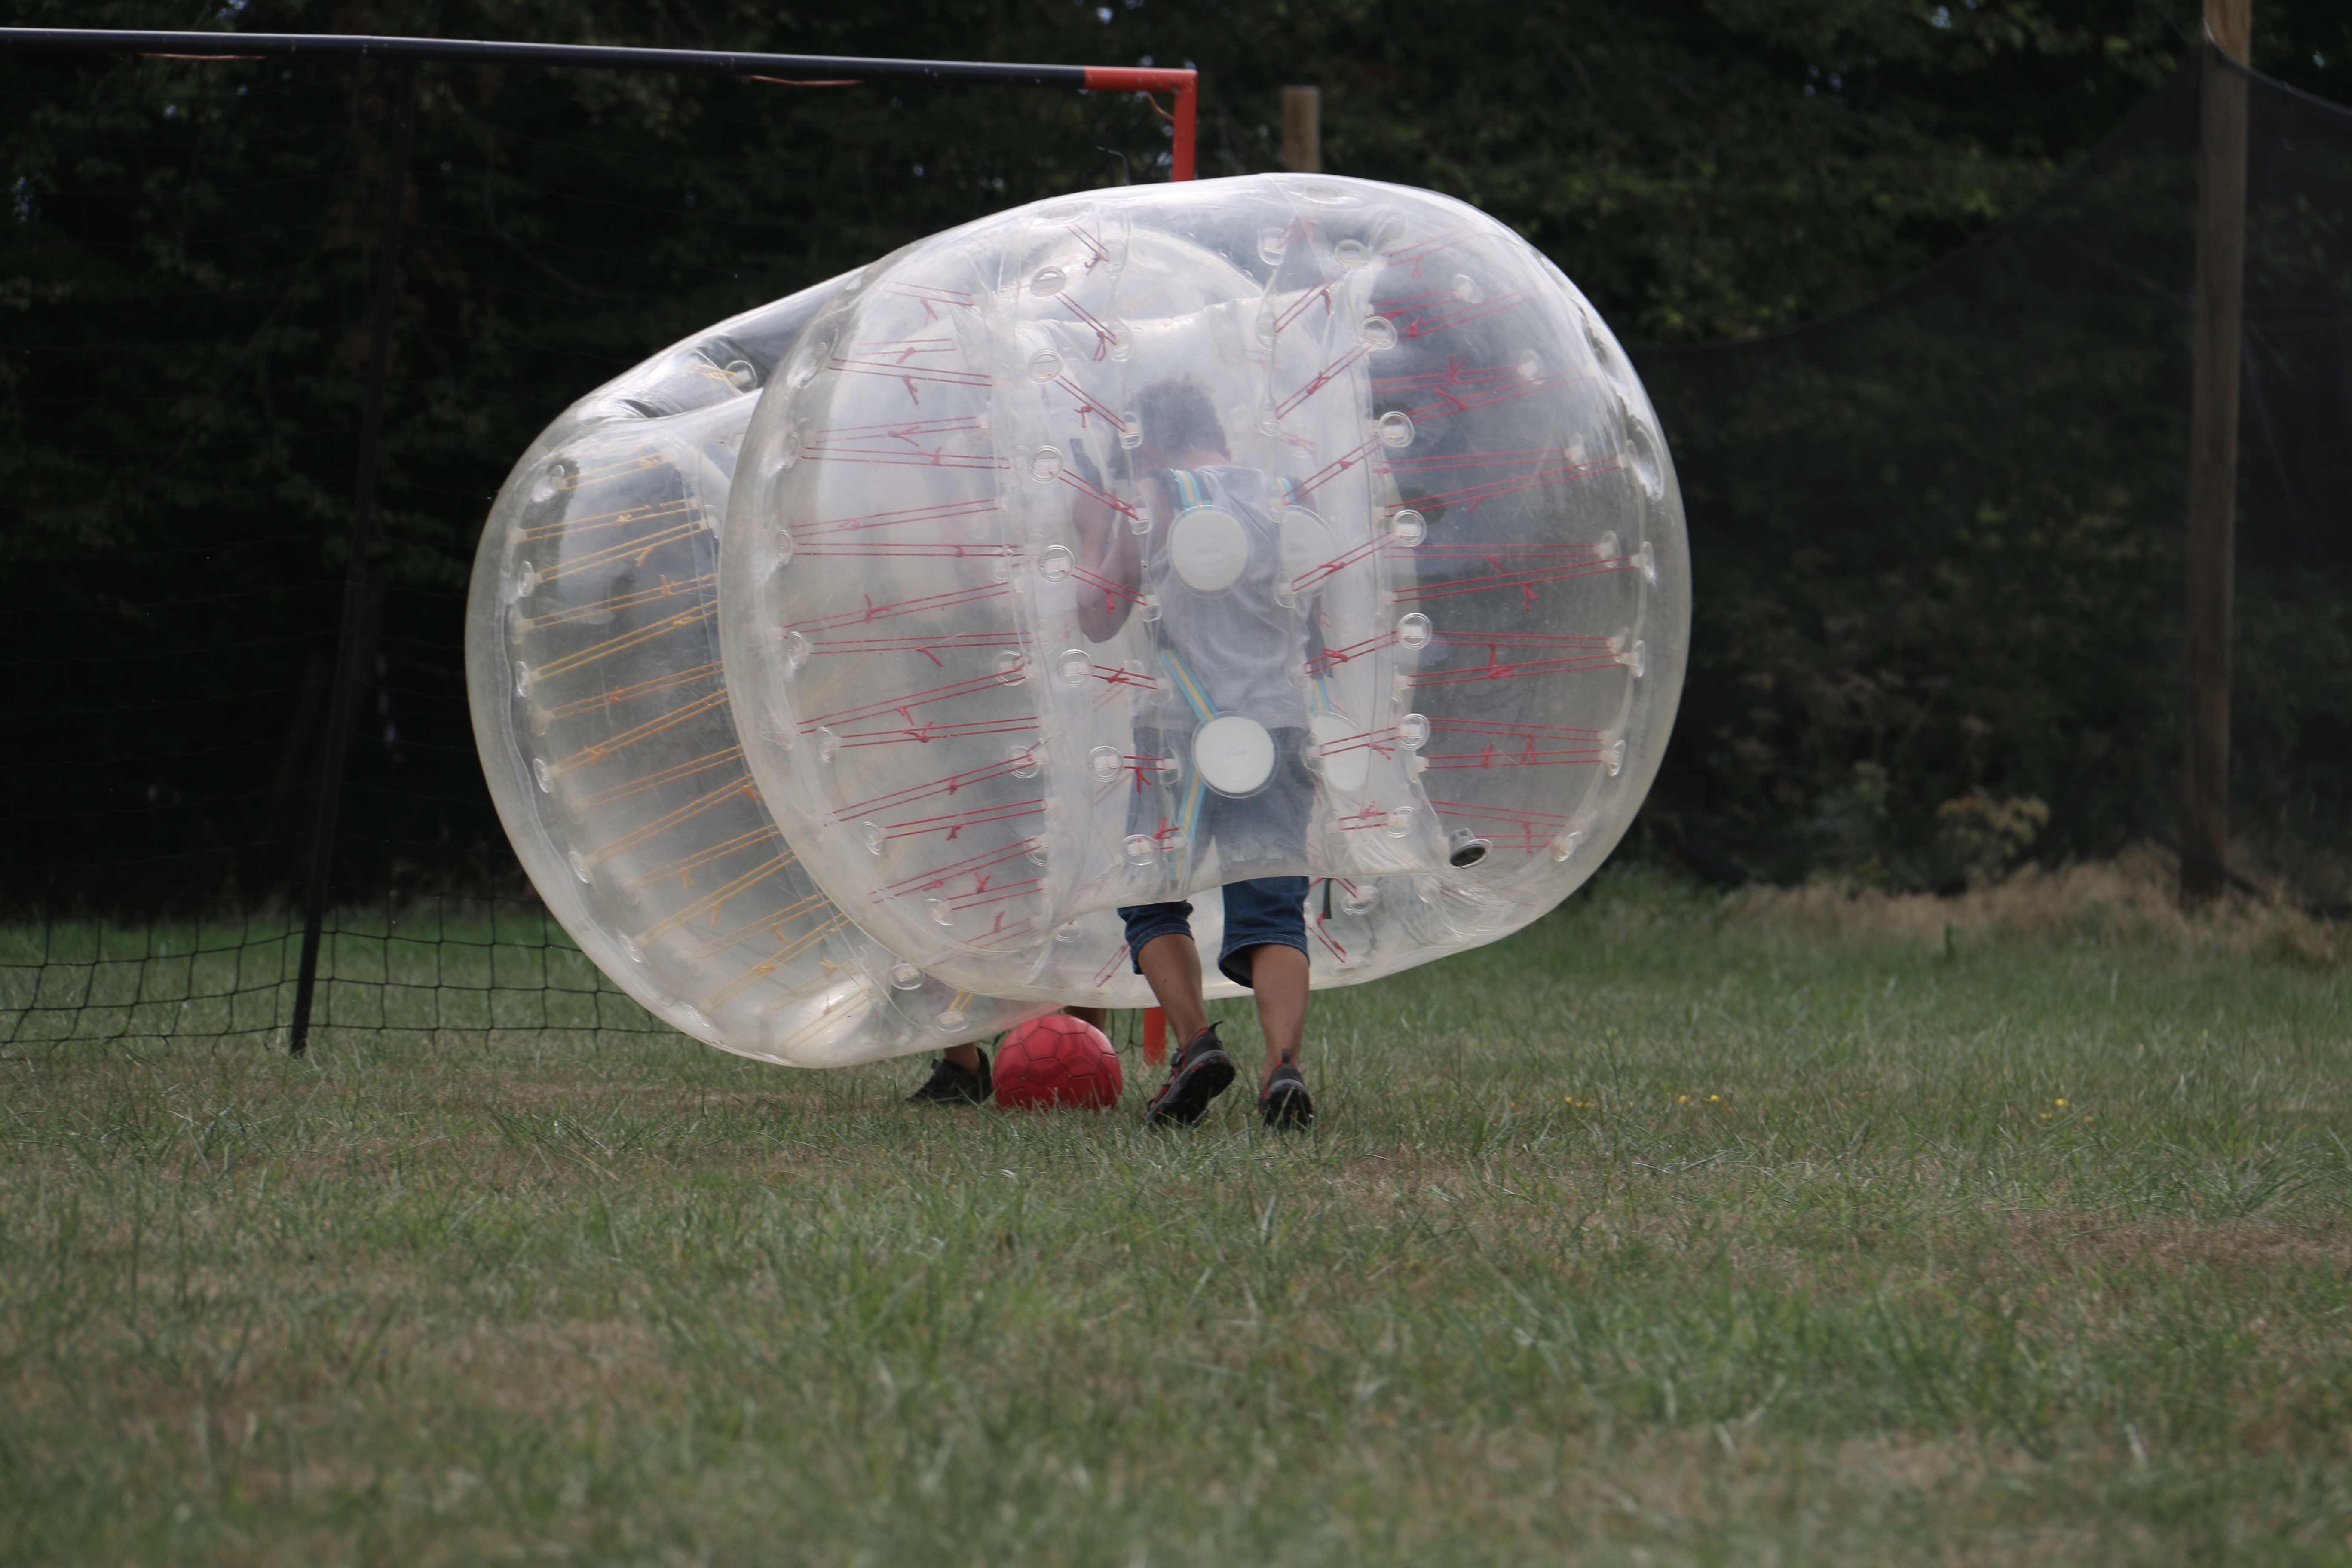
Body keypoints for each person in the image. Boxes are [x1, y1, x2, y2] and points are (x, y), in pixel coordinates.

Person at [907, 377, 1315, 1129]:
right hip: (1280, 726)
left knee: (1152, 895)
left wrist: (1094, 530)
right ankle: (1282, 1070)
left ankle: (1196, 1044)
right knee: (1275, 911)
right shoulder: (1290, 494)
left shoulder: (1158, 495)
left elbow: (1100, 614)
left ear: (1150, 440)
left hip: (1178, 729)